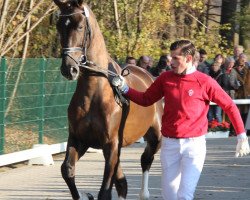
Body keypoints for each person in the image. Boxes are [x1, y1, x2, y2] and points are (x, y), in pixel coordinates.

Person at [112, 40, 250, 200]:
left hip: (194, 146)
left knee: (184, 195)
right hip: (169, 145)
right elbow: (146, 99)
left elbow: (229, 106)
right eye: (171, 57)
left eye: (176, 58)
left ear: (189, 59)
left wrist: (241, 135)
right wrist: (125, 89)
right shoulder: (165, 78)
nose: (171, 62)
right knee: (169, 196)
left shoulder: (204, 81)